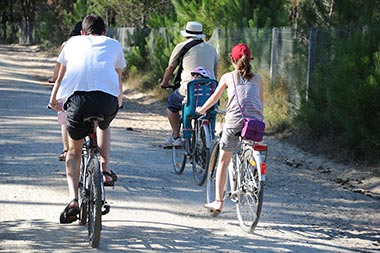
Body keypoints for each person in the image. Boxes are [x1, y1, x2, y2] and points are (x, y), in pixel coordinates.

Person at [48, 14, 126, 223]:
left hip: (78, 102)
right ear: (104, 32)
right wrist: (118, 101)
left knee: (74, 151)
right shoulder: (114, 44)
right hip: (107, 101)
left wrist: (53, 100)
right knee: (103, 125)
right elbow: (118, 77)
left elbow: (61, 75)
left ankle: (73, 199)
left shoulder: (72, 43)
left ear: (83, 33)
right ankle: (104, 168)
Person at [196, 43, 264, 213]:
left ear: (233, 60)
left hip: (234, 122)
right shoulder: (259, 79)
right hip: (255, 123)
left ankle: (218, 202)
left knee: (223, 162)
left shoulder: (228, 77)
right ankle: (253, 172)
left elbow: (214, 98)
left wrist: (201, 109)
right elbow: (261, 103)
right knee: (249, 147)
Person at [160, 21, 218, 147]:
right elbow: (214, 71)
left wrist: (164, 83)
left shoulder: (181, 46)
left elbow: (170, 68)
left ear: (186, 35)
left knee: (171, 105)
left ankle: (176, 137)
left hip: (189, 89)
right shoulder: (212, 49)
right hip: (210, 91)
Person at [49, 21, 82, 161]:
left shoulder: (67, 44)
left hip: (68, 88)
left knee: (64, 119)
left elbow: (58, 68)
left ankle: (66, 150)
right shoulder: (96, 44)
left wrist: (54, 78)